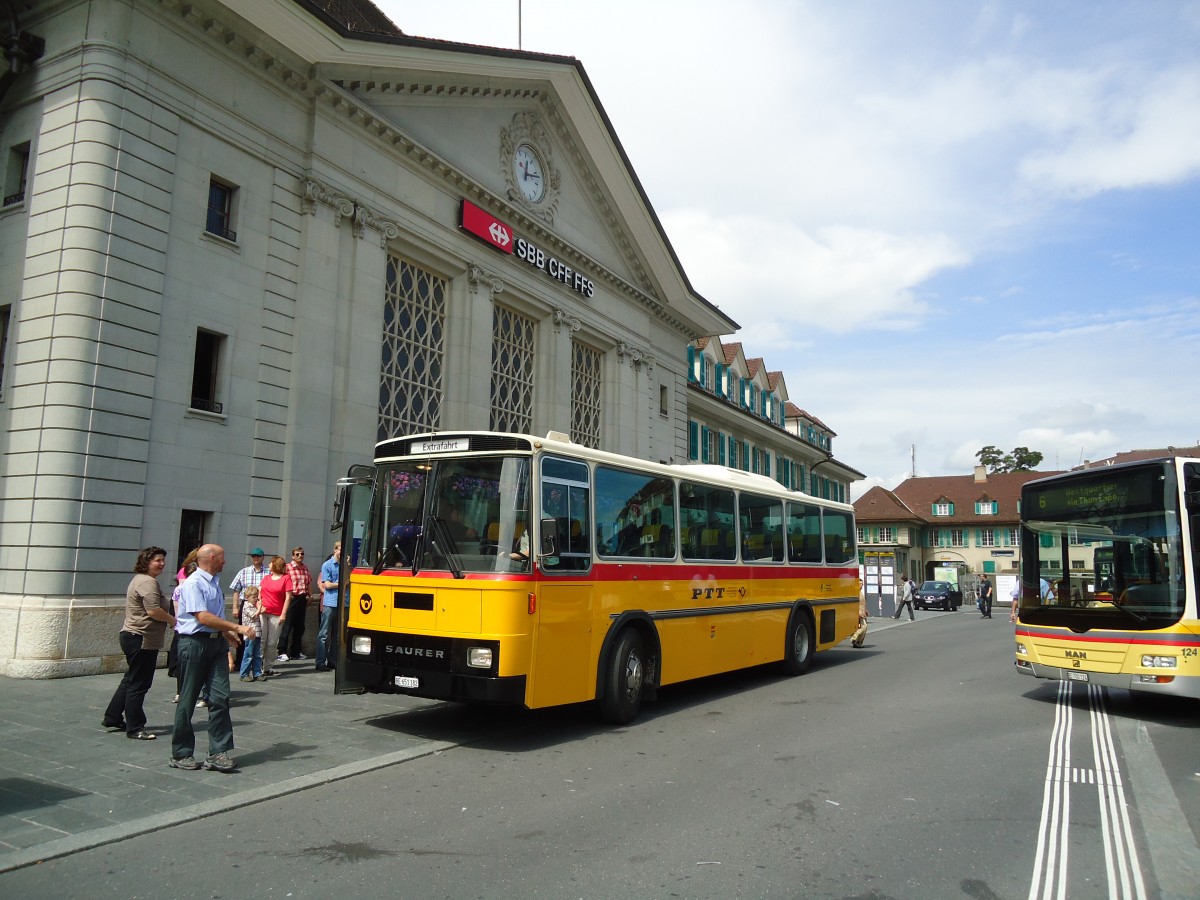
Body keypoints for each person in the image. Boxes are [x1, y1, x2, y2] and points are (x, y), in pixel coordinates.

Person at [169, 543, 255, 772]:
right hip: (193, 644)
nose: (225, 562)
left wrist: (226, 635)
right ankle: (181, 753)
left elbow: (214, 617)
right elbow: (203, 617)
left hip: (215, 644)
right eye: (222, 557)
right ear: (211, 558)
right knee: (187, 700)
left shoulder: (214, 584)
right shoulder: (193, 584)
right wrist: (237, 628)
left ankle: (218, 752)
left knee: (219, 697)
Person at [102, 546, 176, 740]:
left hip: (134, 636)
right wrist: (172, 620)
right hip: (141, 638)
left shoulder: (142, 580)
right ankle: (135, 727)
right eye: (157, 560)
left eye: (162, 560)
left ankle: (112, 716)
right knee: (140, 683)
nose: (162, 563)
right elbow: (153, 611)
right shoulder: (147, 582)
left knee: (131, 679)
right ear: (146, 562)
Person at [276, 546, 311, 661]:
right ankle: (282, 651)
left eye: (302, 554)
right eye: (297, 554)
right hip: (291, 598)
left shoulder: (305, 568)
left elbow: (308, 582)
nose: (300, 556)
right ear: (293, 556)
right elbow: (282, 582)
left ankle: (296, 652)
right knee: (287, 626)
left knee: (300, 627)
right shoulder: (288, 568)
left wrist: (309, 595)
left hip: (302, 598)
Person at [258, 555, 291, 676]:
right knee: (262, 640)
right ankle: (258, 666)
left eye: (271, 563)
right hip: (263, 612)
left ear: (275, 564)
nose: (268, 565)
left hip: (276, 614)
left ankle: (268, 667)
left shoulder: (286, 578)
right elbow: (259, 593)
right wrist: (259, 605)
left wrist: (283, 614)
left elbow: (288, 598)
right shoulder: (266, 578)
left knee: (272, 642)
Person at [315, 541, 340, 672]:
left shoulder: (345, 565)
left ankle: (332, 660)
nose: (342, 553)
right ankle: (320, 662)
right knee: (324, 634)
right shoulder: (327, 565)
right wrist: (340, 583)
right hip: (330, 603)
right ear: (335, 550)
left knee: (337, 635)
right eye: (341, 549)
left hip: (342, 603)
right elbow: (327, 585)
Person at [237, 585, 263, 682]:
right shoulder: (247, 606)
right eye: (253, 597)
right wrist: (259, 608)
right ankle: (244, 674)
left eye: (257, 597)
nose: (256, 599)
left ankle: (257, 673)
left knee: (257, 654)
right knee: (248, 654)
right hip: (250, 634)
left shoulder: (254, 606)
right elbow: (254, 616)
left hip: (257, 633)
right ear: (247, 597)